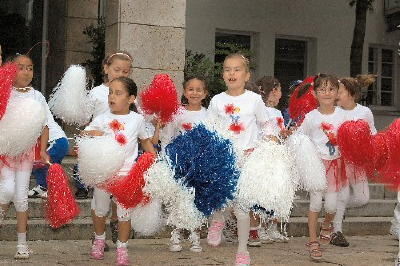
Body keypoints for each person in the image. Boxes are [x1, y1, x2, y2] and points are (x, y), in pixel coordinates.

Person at [83, 77, 155, 265]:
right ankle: (99, 240)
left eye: (118, 93)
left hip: (126, 176)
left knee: (124, 214)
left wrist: (156, 161)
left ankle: (122, 248)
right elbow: (85, 133)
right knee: (100, 210)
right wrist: (92, 133)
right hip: (104, 174)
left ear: (131, 98)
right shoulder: (102, 118)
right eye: (110, 93)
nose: (112, 97)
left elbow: (146, 141)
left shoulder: (137, 120)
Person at [207, 53, 269, 266]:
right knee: (219, 196)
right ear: (223, 74)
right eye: (227, 69)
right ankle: (217, 219)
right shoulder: (217, 100)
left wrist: (266, 146)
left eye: (237, 69)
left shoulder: (254, 100)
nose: (231, 73)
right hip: (223, 157)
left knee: (242, 206)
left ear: (246, 75)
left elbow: (266, 125)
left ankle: (242, 251)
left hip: (246, 159)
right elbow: (209, 129)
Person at [0, 54, 51, 259]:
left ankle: (22, 245)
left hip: (26, 154)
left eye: (30, 67)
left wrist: (43, 149)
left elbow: (44, 125)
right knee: (7, 189)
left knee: (21, 198)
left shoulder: (37, 96)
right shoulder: (4, 92)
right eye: (21, 67)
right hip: (5, 152)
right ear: (11, 70)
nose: (26, 71)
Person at [297, 74, 347, 261]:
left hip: (336, 164)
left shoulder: (343, 115)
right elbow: (301, 138)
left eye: (331, 89)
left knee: (332, 205)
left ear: (337, 93)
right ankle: (313, 241)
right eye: (322, 89)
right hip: (316, 165)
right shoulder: (311, 117)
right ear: (315, 93)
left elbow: (351, 138)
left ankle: (327, 225)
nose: (326, 93)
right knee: (316, 202)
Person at [156, 76, 208, 253]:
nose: (194, 93)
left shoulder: (208, 114)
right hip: (179, 163)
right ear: (185, 92)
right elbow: (168, 137)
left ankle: (195, 236)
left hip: (200, 164)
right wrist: (166, 159)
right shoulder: (177, 113)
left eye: (199, 89)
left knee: (196, 201)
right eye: (191, 89)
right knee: (178, 199)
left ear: (205, 93)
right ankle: (176, 235)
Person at [332, 75, 377, 247]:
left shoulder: (364, 112)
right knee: (342, 195)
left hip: (357, 161)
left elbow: (372, 133)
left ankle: (335, 210)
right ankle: (336, 232)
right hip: (338, 159)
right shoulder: (334, 111)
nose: (336, 95)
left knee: (362, 198)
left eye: (340, 92)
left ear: (350, 93)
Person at [28, 119, 69, 198]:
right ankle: (42, 186)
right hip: (55, 141)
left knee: (49, 167)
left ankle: (54, 190)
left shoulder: (36, 108)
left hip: (54, 141)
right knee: (38, 164)